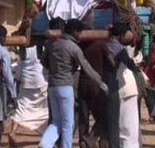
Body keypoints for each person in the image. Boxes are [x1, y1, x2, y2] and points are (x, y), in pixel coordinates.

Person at [40, 18, 106, 148]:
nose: (79, 35)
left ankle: (45, 143)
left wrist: (55, 69)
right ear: (75, 32)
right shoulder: (73, 47)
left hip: (52, 87)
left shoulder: (51, 44)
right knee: (68, 123)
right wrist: (100, 83)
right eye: (79, 33)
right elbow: (86, 67)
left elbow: (43, 61)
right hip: (66, 87)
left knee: (56, 122)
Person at [107, 21, 141, 148]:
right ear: (122, 35)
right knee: (129, 127)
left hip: (113, 90)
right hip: (127, 89)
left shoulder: (104, 45)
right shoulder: (121, 49)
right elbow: (131, 65)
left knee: (119, 126)